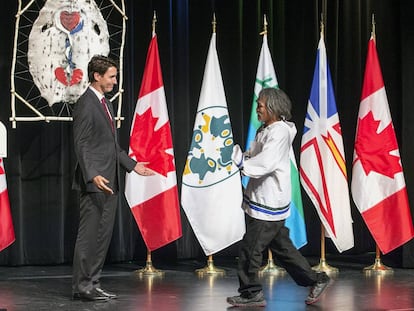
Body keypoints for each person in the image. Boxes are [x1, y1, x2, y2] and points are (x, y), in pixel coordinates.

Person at [227, 87, 332, 307]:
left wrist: (242, 163)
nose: (257, 109)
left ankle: (251, 293)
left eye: (261, 106)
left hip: (269, 201)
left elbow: (266, 162)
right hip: (264, 198)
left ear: (273, 108)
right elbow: (259, 155)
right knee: (283, 249)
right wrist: (245, 155)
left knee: (250, 249)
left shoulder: (279, 132)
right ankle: (316, 279)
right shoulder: (267, 129)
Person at [71, 55, 154, 301]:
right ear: (97, 76)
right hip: (96, 182)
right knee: (89, 237)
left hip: (109, 180)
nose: (115, 81)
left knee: (102, 237)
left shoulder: (104, 102)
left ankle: (92, 284)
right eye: (111, 76)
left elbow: (112, 146)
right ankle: (82, 286)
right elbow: (82, 143)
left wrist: (133, 166)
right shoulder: (86, 103)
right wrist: (92, 174)